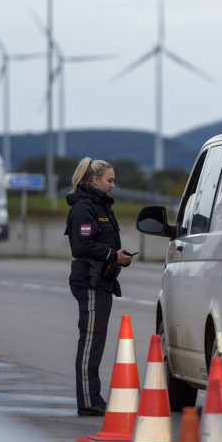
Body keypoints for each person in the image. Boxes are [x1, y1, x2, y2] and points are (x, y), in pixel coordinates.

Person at [65, 158, 134, 416]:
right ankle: (88, 400)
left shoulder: (101, 206)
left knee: (96, 341)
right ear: (94, 180)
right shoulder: (85, 208)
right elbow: (81, 246)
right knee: (91, 342)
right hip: (90, 283)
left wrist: (118, 256)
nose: (113, 185)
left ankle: (92, 397)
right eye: (109, 180)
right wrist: (111, 255)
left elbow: (102, 244)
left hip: (102, 282)